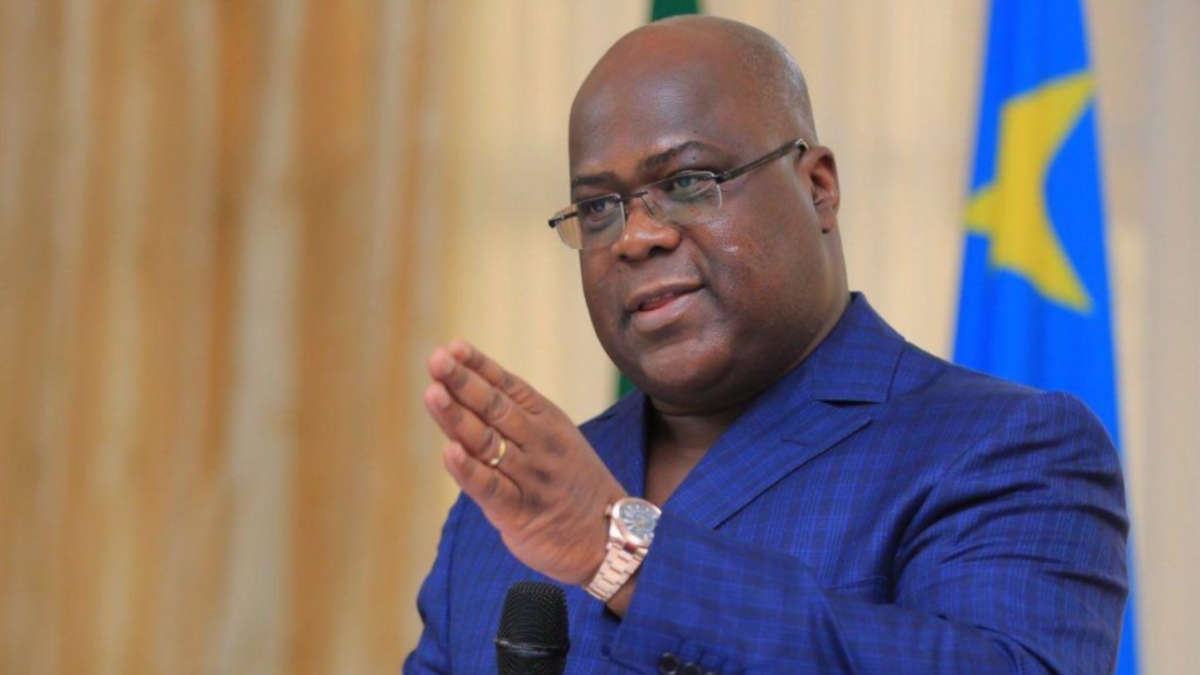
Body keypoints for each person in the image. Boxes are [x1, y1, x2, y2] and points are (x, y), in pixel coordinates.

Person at [404, 15, 1127, 674]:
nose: (636, 236)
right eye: (598, 208)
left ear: (818, 189)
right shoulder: (505, 514)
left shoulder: (1006, 447)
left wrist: (626, 555)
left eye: (688, 181)